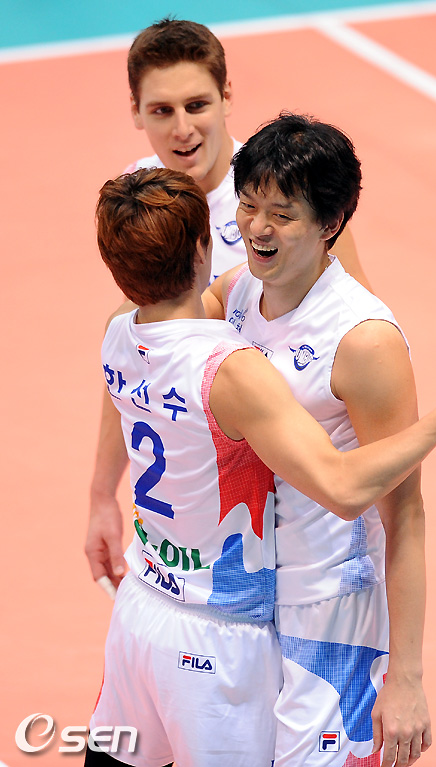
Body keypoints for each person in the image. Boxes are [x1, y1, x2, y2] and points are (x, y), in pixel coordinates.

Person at [86, 166, 436, 767]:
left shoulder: (117, 335)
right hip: (217, 637)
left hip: (141, 605)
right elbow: (344, 487)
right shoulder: (230, 369)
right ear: (203, 249)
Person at [205, 112, 436, 767]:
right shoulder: (239, 291)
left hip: (331, 614)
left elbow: (405, 511)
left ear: (331, 223)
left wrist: (406, 677)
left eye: (282, 214)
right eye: (248, 206)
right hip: (244, 601)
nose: (257, 227)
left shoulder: (363, 341)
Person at [85, 17, 369, 595]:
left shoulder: (283, 198)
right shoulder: (145, 196)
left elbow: (357, 330)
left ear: (227, 96)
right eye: (161, 110)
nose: (182, 129)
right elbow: (136, 353)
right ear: (136, 112)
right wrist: (100, 496)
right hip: (207, 510)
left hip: (302, 495)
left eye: (197, 105)